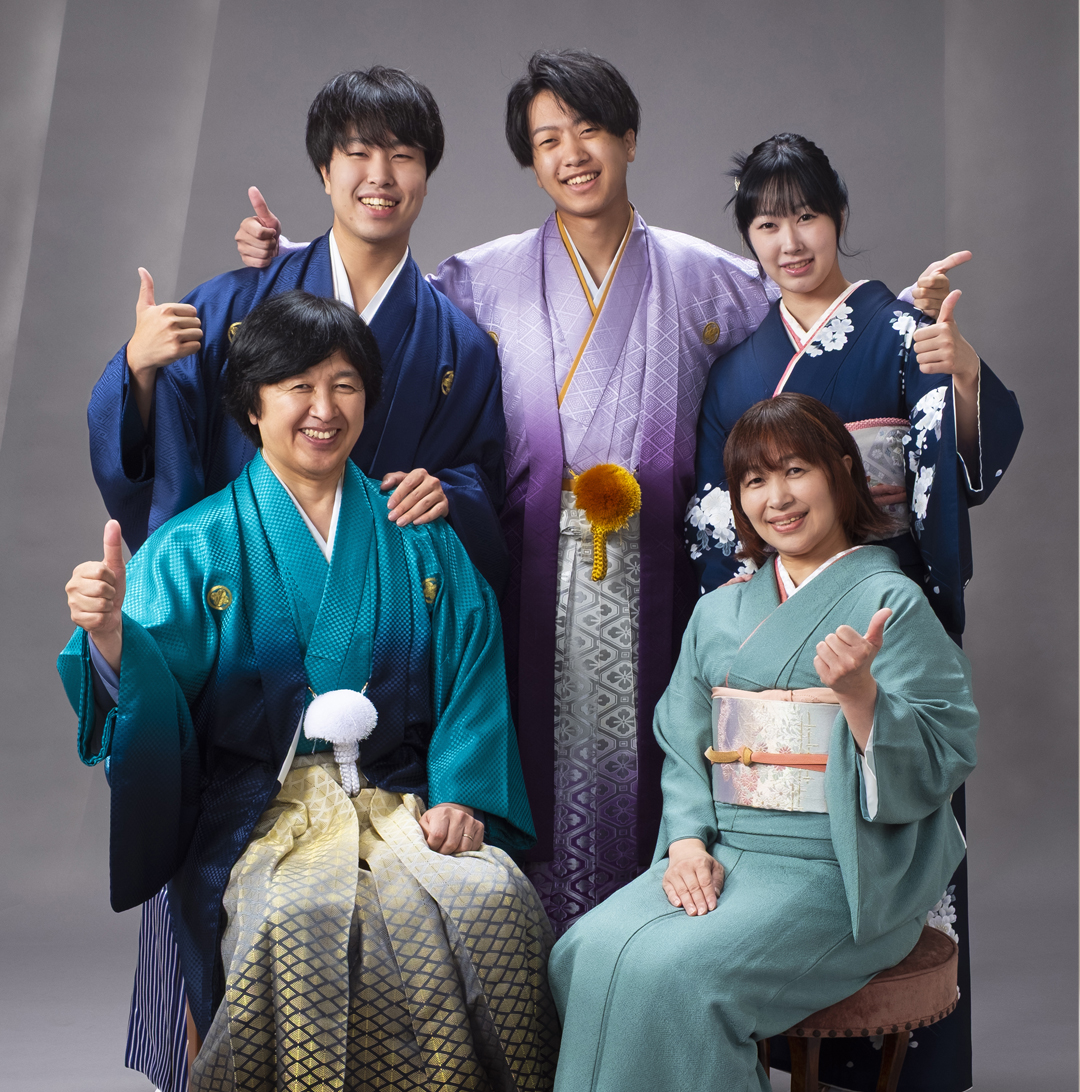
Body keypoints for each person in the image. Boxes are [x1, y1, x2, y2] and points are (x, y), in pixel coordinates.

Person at [236, 52, 958, 936]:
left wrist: (900, 328)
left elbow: (807, 344)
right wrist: (289, 268)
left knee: (666, 772)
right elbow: (365, 324)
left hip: (666, 582)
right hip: (525, 577)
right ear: (530, 159)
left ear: (629, 138)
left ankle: (651, 964)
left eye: (589, 131)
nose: (572, 154)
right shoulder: (478, 277)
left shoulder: (710, 277)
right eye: (548, 140)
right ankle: (536, 985)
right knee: (531, 791)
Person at [62, 293, 568, 1092]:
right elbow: (151, 698)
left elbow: (472, 666)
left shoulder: (418, 535)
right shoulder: (197, 546)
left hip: (406, 799)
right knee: (302, 926)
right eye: (297, 386)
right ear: (253, 406)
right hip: (261, 812)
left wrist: (464, 791)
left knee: (493, 907)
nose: (323, 409)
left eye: (344, 386)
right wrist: (112, 638)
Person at [92, 65, 511, 1092]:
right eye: (357, 153)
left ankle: (395, 1086)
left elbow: (482, 477)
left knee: (429, 892)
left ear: (428, 174)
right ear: (323, 169)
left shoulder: (457, 339)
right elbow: (172, 442)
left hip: (387, 616)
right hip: (244, 609)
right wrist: (137, 374)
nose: (380, 175)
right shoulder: (239, 301)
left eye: (403, 154)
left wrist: (448, 496)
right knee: (203, 814)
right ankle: (192, 1058)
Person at [547, 393, 977, 1092]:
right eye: (753, 480)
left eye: (795, 470)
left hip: (842, 862)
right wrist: (686, 843)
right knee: (584, 949)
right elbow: (684, 743)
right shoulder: (721, 611)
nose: (775, 497)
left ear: (841, 476)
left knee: (686, 974)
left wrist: (861, 696)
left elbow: (946, 749)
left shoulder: (889, 599)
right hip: (725, 850)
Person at [684, 133, 1023, 1092]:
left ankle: (881, 1063)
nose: (789, 242)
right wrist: (741, 629)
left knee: (883, 815)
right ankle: (788, 1049)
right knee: (782, 831)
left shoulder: (902, 329)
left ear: (838, 218)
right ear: (748, 238)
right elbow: (718, 513)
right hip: (779, 623)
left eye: (806, 216)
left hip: (877, 616)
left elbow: (957, 473)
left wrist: (959, 372)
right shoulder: (737, 367)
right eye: (767, 224)